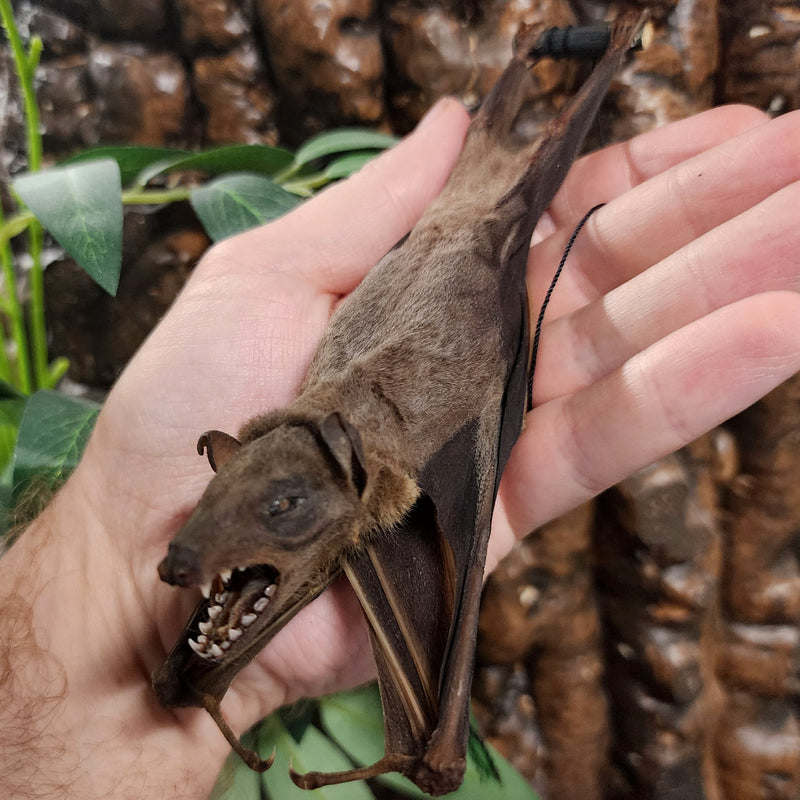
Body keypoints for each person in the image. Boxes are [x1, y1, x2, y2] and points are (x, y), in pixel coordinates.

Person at [2, 97, 800, 799]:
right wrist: (124, 614)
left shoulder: (382, 485)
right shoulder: (294, 488)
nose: (180, 572)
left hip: (464, 305)